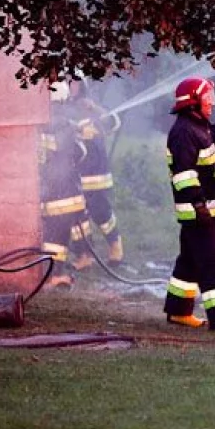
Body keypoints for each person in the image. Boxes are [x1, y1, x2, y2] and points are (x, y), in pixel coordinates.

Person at [163, 76, 215, 333]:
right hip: (198, 211)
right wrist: (199, 205)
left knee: (190, 261)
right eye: (207, 99)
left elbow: (211, 169)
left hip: (203, 209)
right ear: (193, 103)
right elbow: (184, 176)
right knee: (213, 264)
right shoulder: (184, 132)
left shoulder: (198, 127)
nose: (212, 104)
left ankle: (178, 312)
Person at [69, 81, 124, 270]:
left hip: (96, 173)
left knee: (101, 212)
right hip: (74, 172)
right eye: (68, 83)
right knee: (76, 217)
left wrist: (96, 108)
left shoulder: (92, 106)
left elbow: (114, 123)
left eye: (75, 83)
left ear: (83, 85)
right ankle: (84, 255)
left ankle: (115, 246)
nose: (72, 87)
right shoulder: (63, 110)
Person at [39, 81, 89, 288]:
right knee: (58, 236)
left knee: (52, 233)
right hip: (65, 191)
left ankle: (53, 272)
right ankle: (54, 275)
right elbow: (79, 154)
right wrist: (75, 133)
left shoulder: (40, 123)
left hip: (47, 189)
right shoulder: (65, 125)